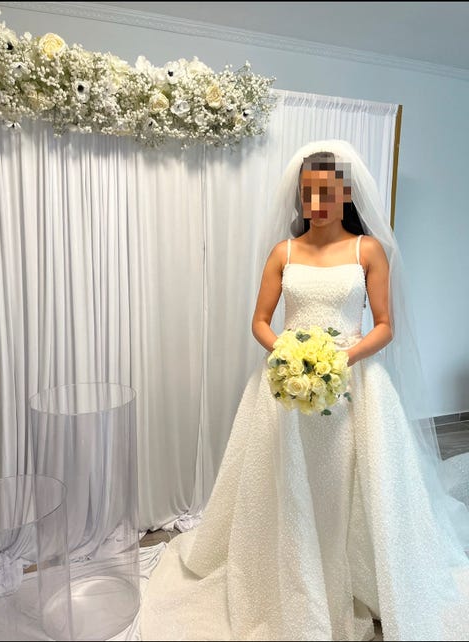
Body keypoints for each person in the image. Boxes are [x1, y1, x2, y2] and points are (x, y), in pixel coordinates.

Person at [140, 140, 469, 641]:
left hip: (355, 388)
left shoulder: (367, 250)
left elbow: (385, 326)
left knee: (349, 481)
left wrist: (339, 359)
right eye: (308, 194)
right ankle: (289, 571)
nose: (317, 204)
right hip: (285, 386)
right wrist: (289, 356)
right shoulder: (284, 252)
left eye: (326, 193)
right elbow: (259, 320)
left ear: (345, 194)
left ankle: (357, 572)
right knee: (285, 479)